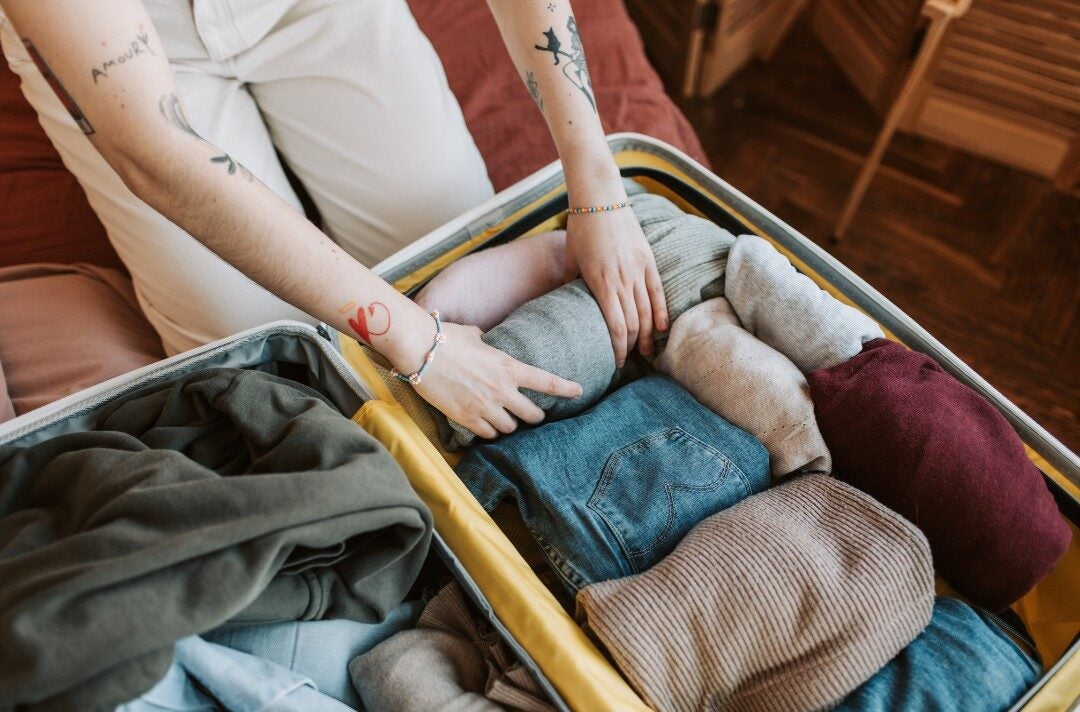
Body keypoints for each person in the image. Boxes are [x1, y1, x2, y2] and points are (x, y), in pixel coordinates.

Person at [0, 0, 668, 439]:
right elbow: (155, 151)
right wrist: (419, 345)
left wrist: (596, 184)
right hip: (126, 51)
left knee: (461, 261)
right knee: (263, 366)